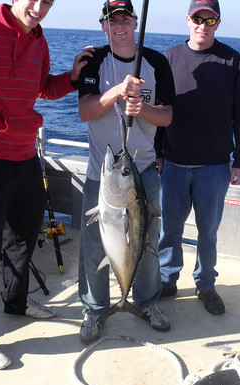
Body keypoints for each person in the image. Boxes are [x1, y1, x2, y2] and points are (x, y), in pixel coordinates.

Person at [0, 0, 90, 369]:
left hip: (26, 154)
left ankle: (16, 301)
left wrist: (73, 78)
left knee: (24, 236)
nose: (39, 7)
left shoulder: (40, 41)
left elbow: (45, 87)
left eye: (48, 1)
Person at [78, 0, 176, 344]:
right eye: (111, 20)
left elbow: (166, 117)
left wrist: (143, 108)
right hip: (102, 174)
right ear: (104, 26)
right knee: (93, 245)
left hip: (144, 171)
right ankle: (94, 309)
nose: (118, 26)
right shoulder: (94, 61)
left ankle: (146, 302)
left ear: (135, 22)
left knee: (147, 240)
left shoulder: (156, 62)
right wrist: (117, 93)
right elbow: (86, 111)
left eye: (124, 19)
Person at [158, 0, 240, 315]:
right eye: (198, 18)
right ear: (187, 20)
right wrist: (158, 153)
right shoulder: (168, 58)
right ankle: (166, 279)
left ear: (218, 24)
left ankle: (206, 285)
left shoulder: (232, 60)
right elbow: (159, 110)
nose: (203, 25)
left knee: (207, 231)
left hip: (214, 166)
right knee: (169, 227)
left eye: (210, 20)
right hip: (172, 163)